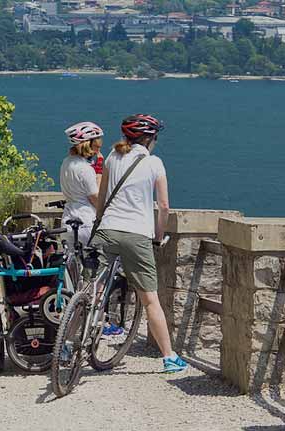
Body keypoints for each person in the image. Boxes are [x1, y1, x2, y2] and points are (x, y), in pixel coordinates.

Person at [93, 114, 185, 373]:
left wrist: (100, 222)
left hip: (107, 229)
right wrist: (157, 237)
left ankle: (68, 341)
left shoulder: (112, 157)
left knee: (95, 289)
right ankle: (169, 358)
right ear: (149, 138)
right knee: (150, 299)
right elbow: (164, 207)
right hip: (136, 234)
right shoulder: (154, 163)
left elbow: (102, 197)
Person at [60, 122, 104, 246]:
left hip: (67, 221)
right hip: (86, 222)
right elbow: (95, 198)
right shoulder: (85, 168)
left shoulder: (66, 162)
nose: (99, 147)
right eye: (97, 143)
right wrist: (99, 173)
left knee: (74, 263)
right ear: (88, 144)